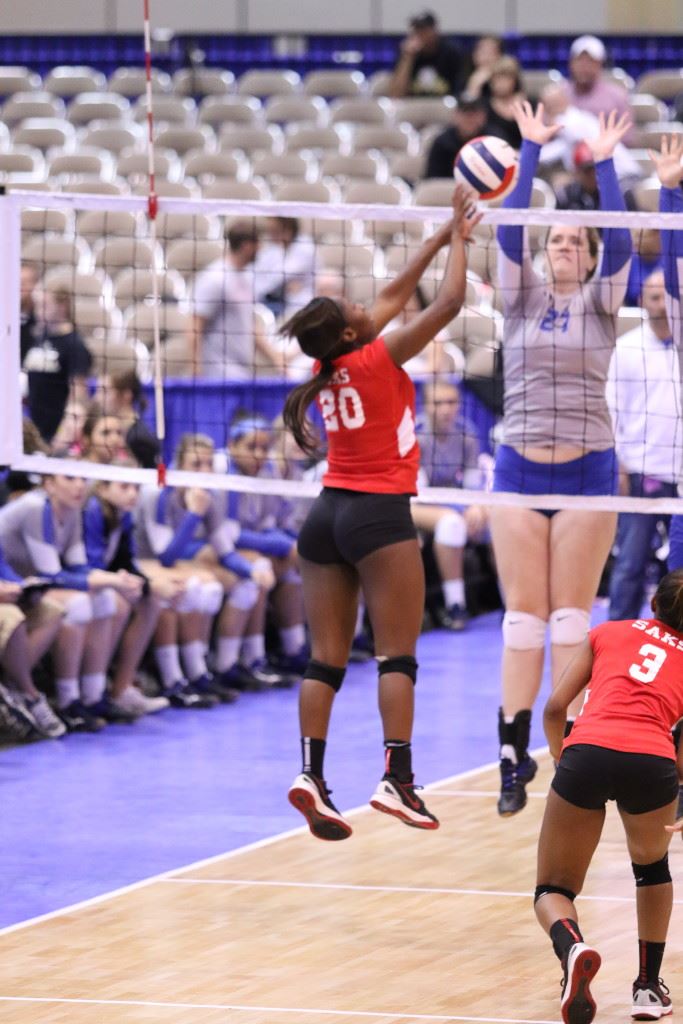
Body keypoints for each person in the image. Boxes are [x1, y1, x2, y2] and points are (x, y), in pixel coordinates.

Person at [283, 185, 477, 840]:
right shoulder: (376, 355)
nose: (369, 305)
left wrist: (439, 234)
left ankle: (309, 773)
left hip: (324, 517)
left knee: (324, 660)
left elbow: (393, 295)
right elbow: (448, 304)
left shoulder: (327, 360)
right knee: (396, 657)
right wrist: (464, 243)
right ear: (350, 331)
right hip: (376, 516)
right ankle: (396, 781)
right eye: (356, 307)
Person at [491, 102, 632, 816]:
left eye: (576, 241)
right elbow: (509, 234)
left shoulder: (604, 303)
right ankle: (511, 754)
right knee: (523, 619)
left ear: (588, 252)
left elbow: (628, 247)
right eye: (557, 241)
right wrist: (527, 151)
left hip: (586, 471)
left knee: (572, 618)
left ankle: (566, 742)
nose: (566, 247)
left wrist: (604, 164)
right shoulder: (517, 298)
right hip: (518, 470)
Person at [535, 569, 683, 1024]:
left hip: (588, 750)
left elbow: (556, 708)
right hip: (653, 761)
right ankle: (646, 989)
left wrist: (565, 759)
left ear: (653, 605)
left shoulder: (608, 632)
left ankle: (571, 944)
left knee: (553, 888)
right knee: (651, 867)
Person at [0, 475, 143, 731]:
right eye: (70, 478)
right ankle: (53, 698)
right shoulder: (35, 507)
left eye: (82, 478)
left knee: (107, 601)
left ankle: (91, 696)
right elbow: (51, 575)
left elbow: (78, 566)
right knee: (78, 605)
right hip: (24, 585)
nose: (80, 485)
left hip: (23, 586)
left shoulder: (73, 509)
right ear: (49, 484)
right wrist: (111, 580)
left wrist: (114, 580)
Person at [606, 270, 681, 621]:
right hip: (640, 469)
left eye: (667, 293)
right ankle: (619, 636)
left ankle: (674, 639)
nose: (660, 298)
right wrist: (618, 465)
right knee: (630, 563)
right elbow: (612, 409)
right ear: (641, 300)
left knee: (677, 567)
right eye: (653, 294)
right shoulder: (626, 347)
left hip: (680, 471)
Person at [414, 379, 489, 631]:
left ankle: (511, 604)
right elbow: (421, 493)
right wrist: (463, 509)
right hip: (410, 503)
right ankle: (455, 605)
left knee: (497, 518)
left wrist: (476, 507)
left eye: (451, 402)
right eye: (438, 403)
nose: (446, 409)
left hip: (452, 502)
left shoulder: (466, 433)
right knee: (451, 523)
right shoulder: (415, 436)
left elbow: (471, 484)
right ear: (425, 406)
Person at [189, 220, 286, 379]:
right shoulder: (214, 279)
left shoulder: (247, 278)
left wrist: (276, 358)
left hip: (242, 373)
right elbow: (194, 326)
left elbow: (250, 326)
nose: (261, 249)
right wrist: (196, 370)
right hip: (217, 374)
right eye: (258, 244)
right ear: (247, 246)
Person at [22, 286, 92, 444]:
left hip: (57, 431)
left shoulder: (74, 344)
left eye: (45, 305)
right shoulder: (38, 338)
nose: (39, 311)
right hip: (35, 427)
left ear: (62, 307)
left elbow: (78, 395)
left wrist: (64, 433)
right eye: (37, 305)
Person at [389, 9, 470, 100]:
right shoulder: (406, 54)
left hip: (444, 107)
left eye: (424, 30)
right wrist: (408, 58)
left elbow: (461, 93)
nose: (420, 35)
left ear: (434, 31)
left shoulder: (451, 52)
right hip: (413, 108)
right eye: (416, 30)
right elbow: (395, 96)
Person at [563, 35, 633, 137]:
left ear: (600, 64)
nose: (584, 66)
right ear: (571, 63)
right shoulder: (556, 96)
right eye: (579, 60)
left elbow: (628, 138)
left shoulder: (617, 97)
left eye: (590, 61)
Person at [94, 370, 161, 469]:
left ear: (126, 395)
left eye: (104, 391)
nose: (96, 398)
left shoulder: (139, 439)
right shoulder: (102, 425)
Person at [253, 217, 317, 318]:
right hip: (273, 299)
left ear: (288, 230)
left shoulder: (305, 247)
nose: (270, 235)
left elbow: (278, 277)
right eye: (269, 231)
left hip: (302, 298)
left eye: (274, 231)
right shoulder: (273, 249)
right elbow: (260, 274)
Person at [424, 92, 488, 180]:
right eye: (465, 113)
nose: (469, 119)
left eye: (473, 114)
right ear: (455, 116)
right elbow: (433, 180)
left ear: (482, 116)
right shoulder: (442, 143)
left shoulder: (492, 140)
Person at [481, 56, 525, 150]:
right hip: (494, 155)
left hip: (522, 155)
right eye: (497, 79)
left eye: (506, 78)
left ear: (515, 80)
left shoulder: (528, 105)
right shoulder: (484, 106)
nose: (501, 84)